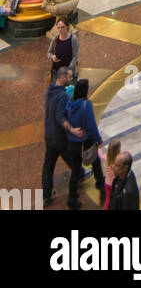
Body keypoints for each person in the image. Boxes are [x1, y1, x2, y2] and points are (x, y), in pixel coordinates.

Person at [64, 79, 104, 209]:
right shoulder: (86, 105)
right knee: (96, 162)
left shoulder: (69, 103)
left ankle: (72, 198)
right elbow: (91, 126)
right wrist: (98, 139)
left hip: (72, 142)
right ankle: (100, 183)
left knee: (75, 172)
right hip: (85, 142)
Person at [42, 66, 74, 205]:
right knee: (72, 159)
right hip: (59, 136)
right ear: (62, 77)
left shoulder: (49, 91)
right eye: (69, 77)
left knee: (48, 164)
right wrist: (71, 129)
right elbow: (60, 116)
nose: (71, 79)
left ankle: (46, 195)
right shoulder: (63, 96)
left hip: (48, 134)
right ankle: (80, 175)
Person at [47, 16, 79, 82]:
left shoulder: (73, 39)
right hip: (57, 72)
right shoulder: (55, 39)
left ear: (67, 27)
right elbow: (48, 53)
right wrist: (52, 57)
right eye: (58, 28)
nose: (60, 30)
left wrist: (68, 70)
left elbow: (75, 56)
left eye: (62, 27)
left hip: (69, 73)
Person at [101, 139, 122, 209]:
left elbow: (100, 155)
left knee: (108, 198)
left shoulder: (106, 157)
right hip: (115, 184)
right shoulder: (118, 160)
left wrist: (99, 149)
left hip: (107, 183)